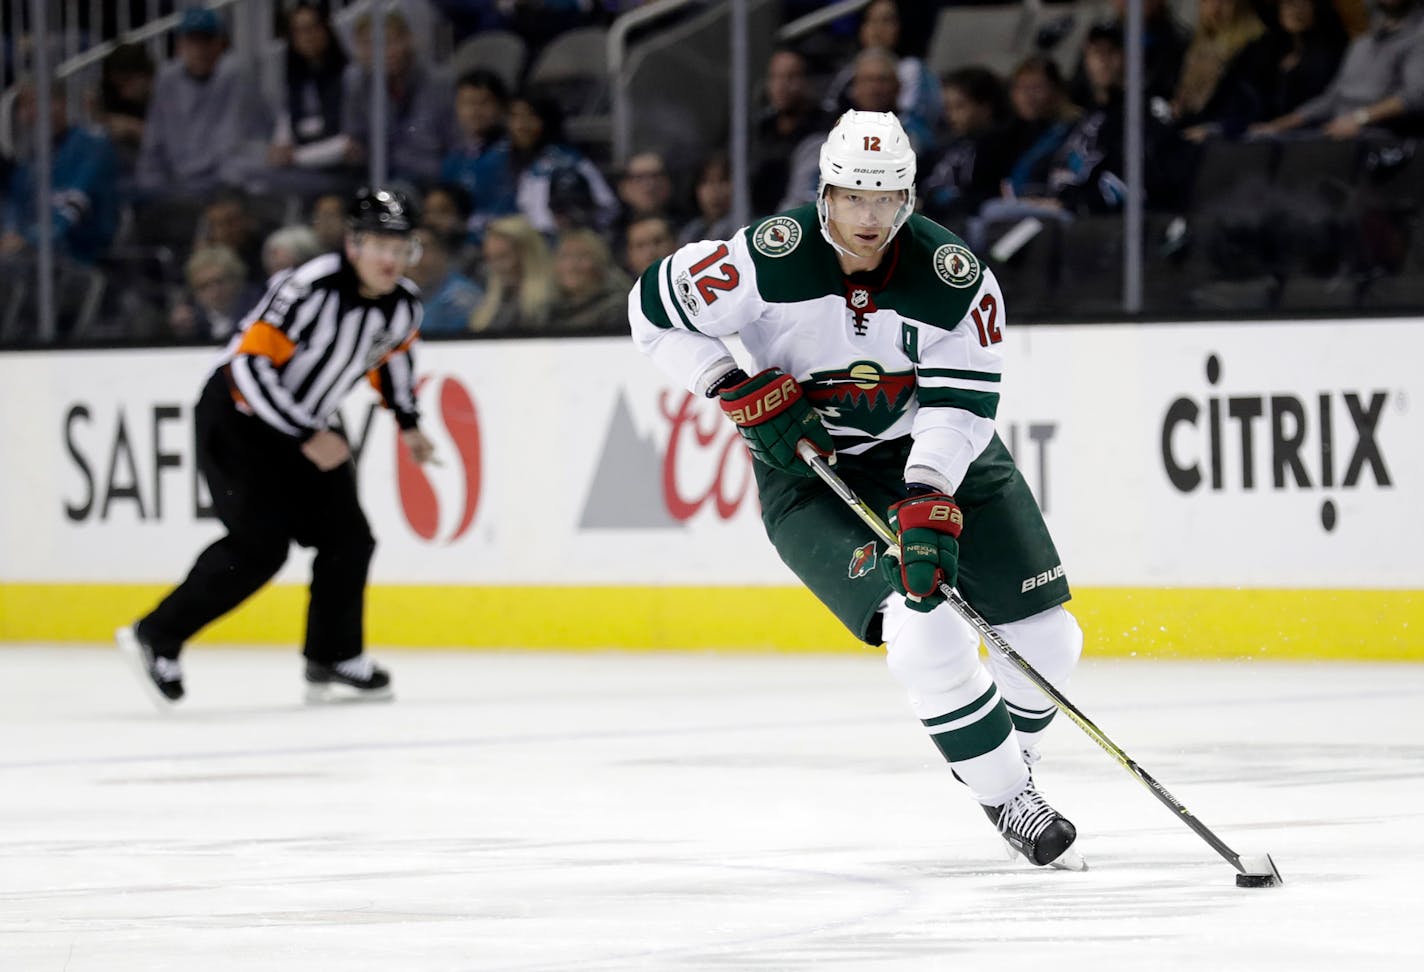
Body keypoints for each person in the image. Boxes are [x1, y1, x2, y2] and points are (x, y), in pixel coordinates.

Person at [628, 110, 1086, 871]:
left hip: (933, 455)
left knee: (1049, 640)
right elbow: (651, 309)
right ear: (825, 194)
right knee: (924, 630)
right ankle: (1010, 798)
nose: (868, 218)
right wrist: (727, 383)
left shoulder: (955, 280)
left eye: (885, 199)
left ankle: (1000, 759)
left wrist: (928, 487)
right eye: (852, 198)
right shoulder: (762, 260)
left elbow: (961, 404)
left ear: (907, 197)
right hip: (808, 472)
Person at [115, 186, 437, 707]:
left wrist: (409, 422)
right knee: (259, 546)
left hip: (306, 426)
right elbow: (247, 365)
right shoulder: (309, 286)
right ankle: (157, 634)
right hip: (238, 420)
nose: (391, 259)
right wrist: (307, 433)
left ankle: (333, 654)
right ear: (354, 244)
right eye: (381, 244)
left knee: (349, 540)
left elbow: (391, 359)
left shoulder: (402, 306)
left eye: (402, 248)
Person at [1249, 0, 1424, 138]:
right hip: (1336, 134)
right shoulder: (1361, 44)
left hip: (1381, 139)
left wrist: (1359, 118)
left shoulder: (1418, 36)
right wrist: (1278, 126)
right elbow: (1333, 98)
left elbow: (1415, 96)